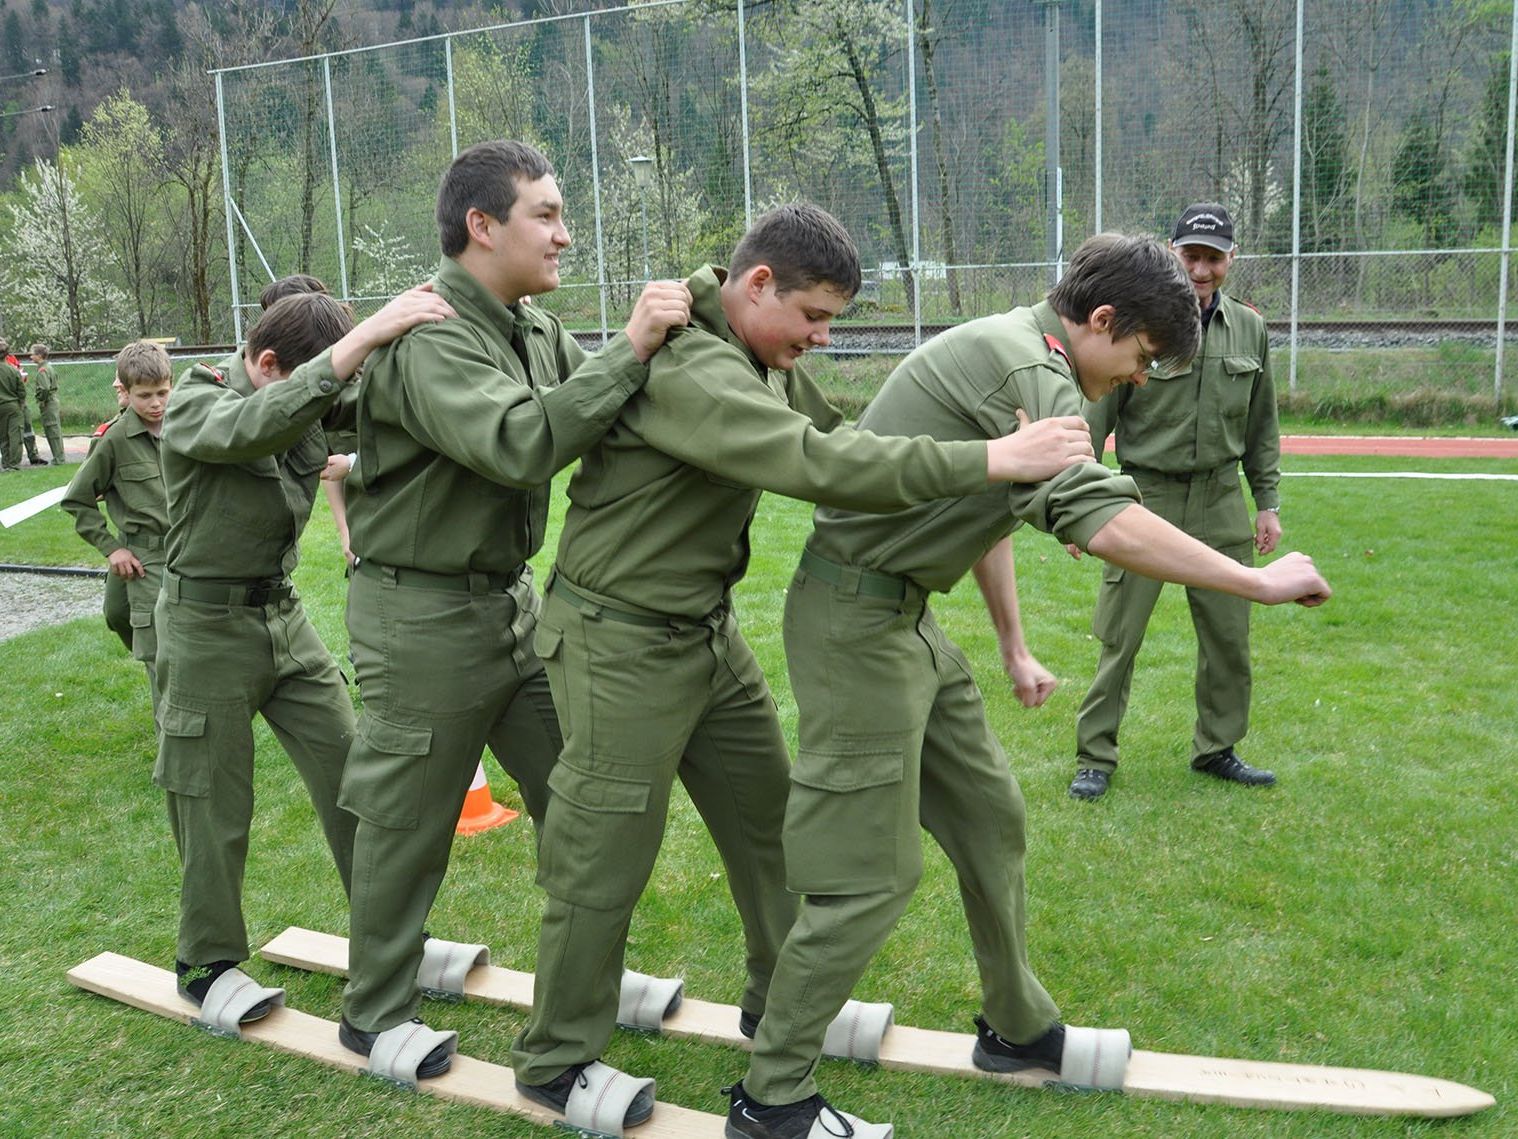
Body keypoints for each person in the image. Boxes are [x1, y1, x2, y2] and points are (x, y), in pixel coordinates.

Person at [723, 233, 1331, 1138]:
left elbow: (995, 507)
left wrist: (1011, 645)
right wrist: (1257, 579)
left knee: (990, 817)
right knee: (869, 876)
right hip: (854, 621)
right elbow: (1105, 516)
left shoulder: (1027, 357)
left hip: (902, 618)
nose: (1135, 377)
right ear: (1100, 322)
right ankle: (770, 1098)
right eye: (1140, 358)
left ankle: (1015, 1027)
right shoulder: (1033, 371)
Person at [507, 203, 1094, 1128]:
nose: (821, 339)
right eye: (814, 317)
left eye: (834, 322)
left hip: (703, 632)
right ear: (758, 285)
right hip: (617, 641)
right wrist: (994, 456)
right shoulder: (691, 366)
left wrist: (1003, 466)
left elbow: (855, 435)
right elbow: (815, 461)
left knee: (770, 826)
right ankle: (553, 1060)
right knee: (602, 857)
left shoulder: (758, 354)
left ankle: (773, 1006)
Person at [335, 139, 691, 1078]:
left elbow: (605, 405)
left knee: (578, 800)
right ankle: (374, 1010)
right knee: (408, 820)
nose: (566, 235)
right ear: (481, 226)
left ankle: (583, 985)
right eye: (547, 215)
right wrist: (630, 345)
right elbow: (522, 440)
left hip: (508, 604)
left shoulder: (530, 325)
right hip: (421, 615)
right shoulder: (430, 333)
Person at [154, 286, 454, 1022]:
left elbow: (381, 404)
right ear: (263, 362)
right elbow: (250, 428)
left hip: (282, 618)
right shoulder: (199, 399)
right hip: (203, 625)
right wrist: (347, 354)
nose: (328, 399)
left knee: (355, 773)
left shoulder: (301, 393)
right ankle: (208, 961)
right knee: (212, 800)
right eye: (316, 378)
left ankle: (384, 938)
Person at [1069, 204, 1281, 801]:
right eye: (1190, 256)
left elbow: (1263, 426)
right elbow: (1095, 417)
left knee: (1228, 639)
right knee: (1120, 637)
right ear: (1172, 253)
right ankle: (1096, 756)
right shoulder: (1146, 328)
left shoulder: (1250, 329)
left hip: (1220, 499)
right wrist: (1076, 504)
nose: (1201, 269)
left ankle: (1218, 748)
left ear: (1230, 260)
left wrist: (1266, 502)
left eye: (1213, 258)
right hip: (1145, 495)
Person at [60, 342, 174, 707]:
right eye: (145, 396)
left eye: (162, 393)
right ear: (125, 392)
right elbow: (76, 498)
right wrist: (113, 547)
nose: (156, 403)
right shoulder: (114, 439)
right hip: (143, 554)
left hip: (188, 547)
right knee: (126, 621)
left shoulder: (186, 426)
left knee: (167, 651)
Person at [29, 343, 67, 464]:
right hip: (52, 401)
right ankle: (58, 456)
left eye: (32, 354)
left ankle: (58, 458)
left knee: (52, 429)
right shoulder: (48, 367)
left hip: (48, 402)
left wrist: (42, 399)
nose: (30, 356)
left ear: (39, 355)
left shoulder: (43, 370)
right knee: (54, 428)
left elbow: (44, 388)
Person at [0, 339, 24, 471]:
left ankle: (5, 462)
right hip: (12, 405)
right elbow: (21, 390)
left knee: (3, 436)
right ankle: (14, 464)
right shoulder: (13, 370)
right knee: (15, 435)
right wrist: (21, 403)